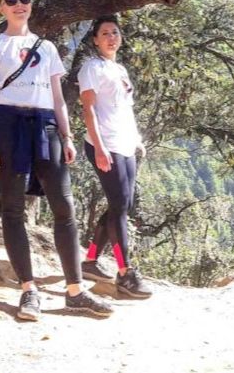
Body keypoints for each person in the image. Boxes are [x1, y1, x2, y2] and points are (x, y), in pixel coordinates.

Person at [0, 0, 114, 321]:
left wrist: (67, 137)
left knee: (63, 206)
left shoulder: (47, 47)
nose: (20, 5)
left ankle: (75, 290)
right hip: (7, 125)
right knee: (13, 209)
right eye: (11, 1)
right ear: (1, 8)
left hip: (46, 126)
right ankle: (28, 290)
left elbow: (57, 96)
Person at [77, 16, 153, 298]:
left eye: (115, 33)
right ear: (95, 39)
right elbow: (89, 110)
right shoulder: (91, 68)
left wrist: (137, 140)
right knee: (120, 206)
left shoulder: (119, 69)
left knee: (123, 203)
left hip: (125, 144)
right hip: (104, 144)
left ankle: (90, 261)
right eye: (105, 33)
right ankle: (126, 274)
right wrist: (98, 147)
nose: (111, 37)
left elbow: (125, 109)